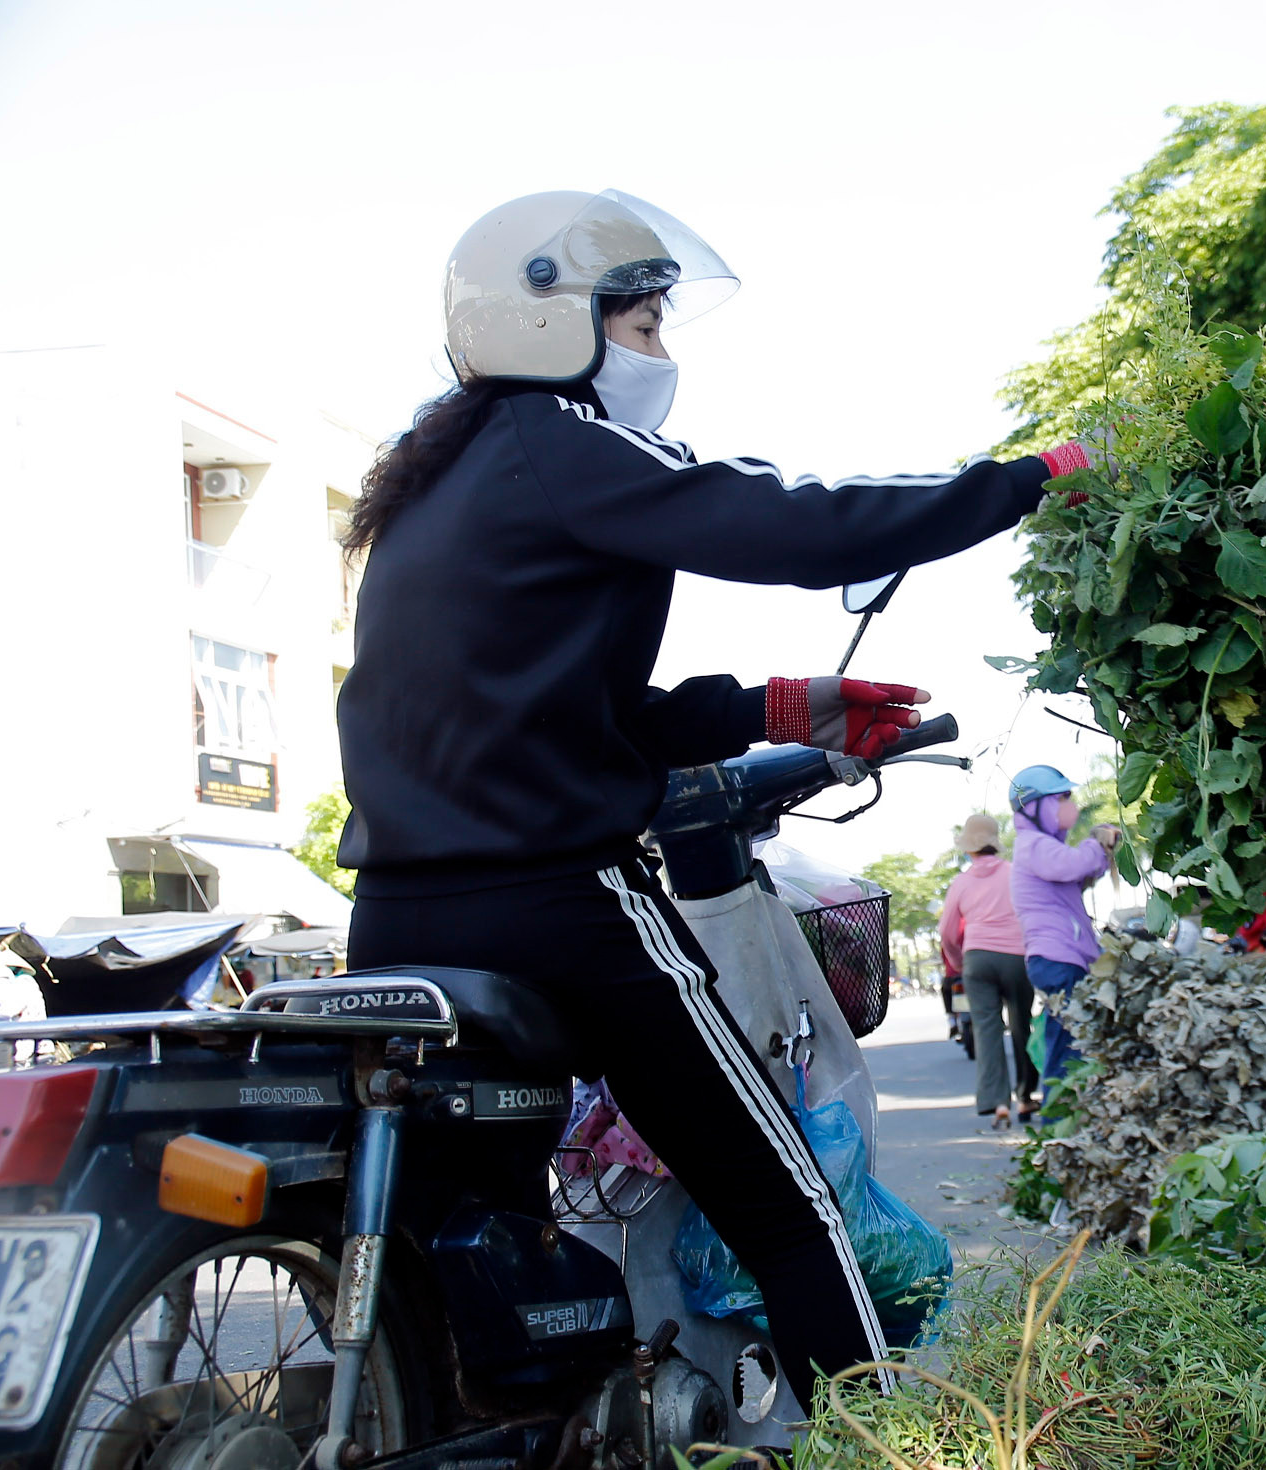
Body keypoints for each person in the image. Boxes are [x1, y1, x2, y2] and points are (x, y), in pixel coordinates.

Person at [334, 189, 1099, 1410]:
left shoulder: (435, 491)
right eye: (641, 326)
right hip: (557, 902)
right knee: (783, 1202)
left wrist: (779, 706)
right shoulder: (561, 439)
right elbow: (795, 522)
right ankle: (882, 1441)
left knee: (465, 1221)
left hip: (399, 917)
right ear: (551, 324)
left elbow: (579, 714)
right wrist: (1022, 481)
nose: (660, 356)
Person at [1006, 765, 1118, 1086]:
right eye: (1062, 798)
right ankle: (1057, 1121)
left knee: (1072, 1041)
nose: (1070, 806)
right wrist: (1095, 845)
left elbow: (1080, 875)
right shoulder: (1033, 846)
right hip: (1058, 959)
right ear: (1034, 806)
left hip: (1064, 958)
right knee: (1068, 1048)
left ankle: (1065, 1117)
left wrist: (1098, 855)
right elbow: (1075, 864)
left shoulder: (1044, 847)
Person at [938, 812, 1036, 1128]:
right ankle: (1024, 1096)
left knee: (986, 1029)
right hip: (1017, 957)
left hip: (977, 959)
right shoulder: (1016, 873)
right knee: (1021, 1024)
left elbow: (948, 932)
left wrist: (959, 961)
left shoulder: (960, 883)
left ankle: (998, 1104)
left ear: (969, 849)